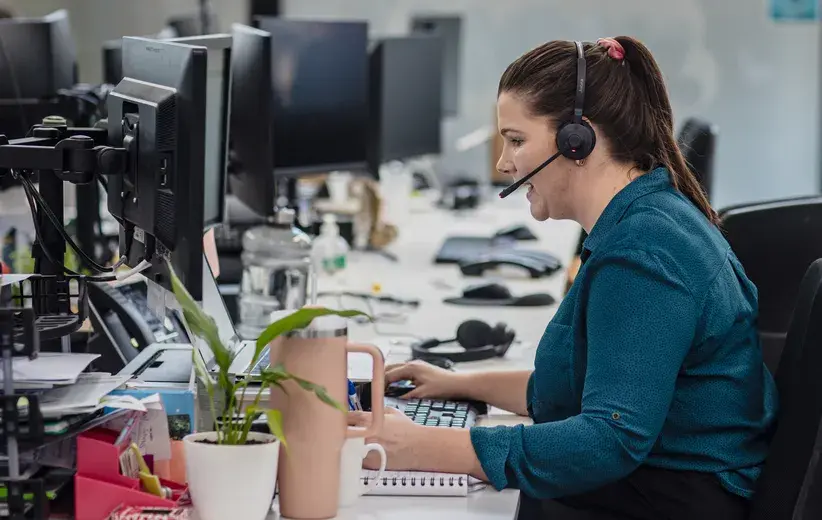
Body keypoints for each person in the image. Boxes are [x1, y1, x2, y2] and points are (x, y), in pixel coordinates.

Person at [348, 36, 778, 520]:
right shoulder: (642, 220)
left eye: (515, 140)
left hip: (673, 500)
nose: (502, 163)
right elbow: (582, 386)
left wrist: (418, 446)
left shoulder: (645, 253)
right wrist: (462, 384)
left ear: (578, 140)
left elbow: (607, 438)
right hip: (660, 482)